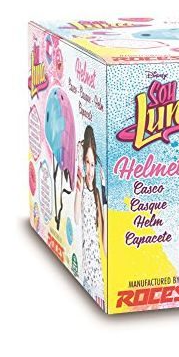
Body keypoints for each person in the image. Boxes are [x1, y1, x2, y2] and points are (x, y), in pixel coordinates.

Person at [74, 126, 107, 297]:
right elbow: (76, 218)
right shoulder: (82, 189)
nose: (89, 170)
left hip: (95, 268)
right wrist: (78, 191)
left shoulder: (96, 193)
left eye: (92, 164)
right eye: (87, 162)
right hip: (83, 265)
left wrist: (108, 255)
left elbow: (102, 227)